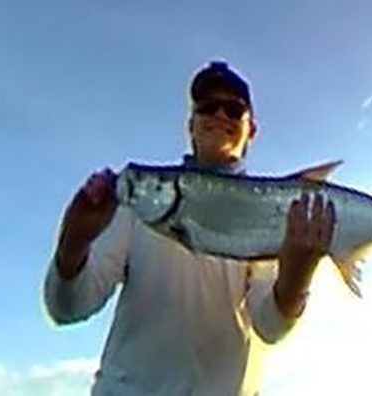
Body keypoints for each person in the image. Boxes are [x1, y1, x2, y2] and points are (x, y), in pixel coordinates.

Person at [43, 60, 335, 395]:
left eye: (233, 109)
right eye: (207, 106)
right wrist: (74, 242)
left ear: (251, 128)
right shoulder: (137, 202)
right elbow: (67, 308)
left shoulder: (273, 211)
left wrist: (298, 275)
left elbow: (270, 326)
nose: (220, 115)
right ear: (191, 125)